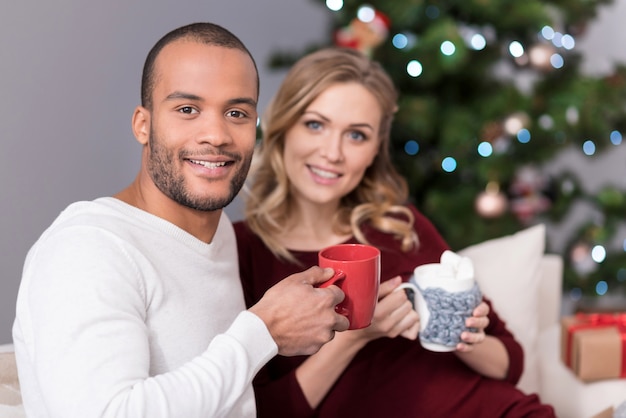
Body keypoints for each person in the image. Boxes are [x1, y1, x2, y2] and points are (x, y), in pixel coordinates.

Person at [12, 23, 349, 418]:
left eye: (236, 113)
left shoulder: (217, 232)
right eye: (187, 109)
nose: (216, 135)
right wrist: (263, 332)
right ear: (143, 124)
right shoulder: (87, 250)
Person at [234, 47, 556, 417]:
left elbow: (509, 363)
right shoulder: (242, 251)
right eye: (315, 124)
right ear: (283, 128)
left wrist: (458, 333)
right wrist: (356, 336)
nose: (332, 152)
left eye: (356, 135)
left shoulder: (402, 227)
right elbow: (262, 411)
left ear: (374, 151)